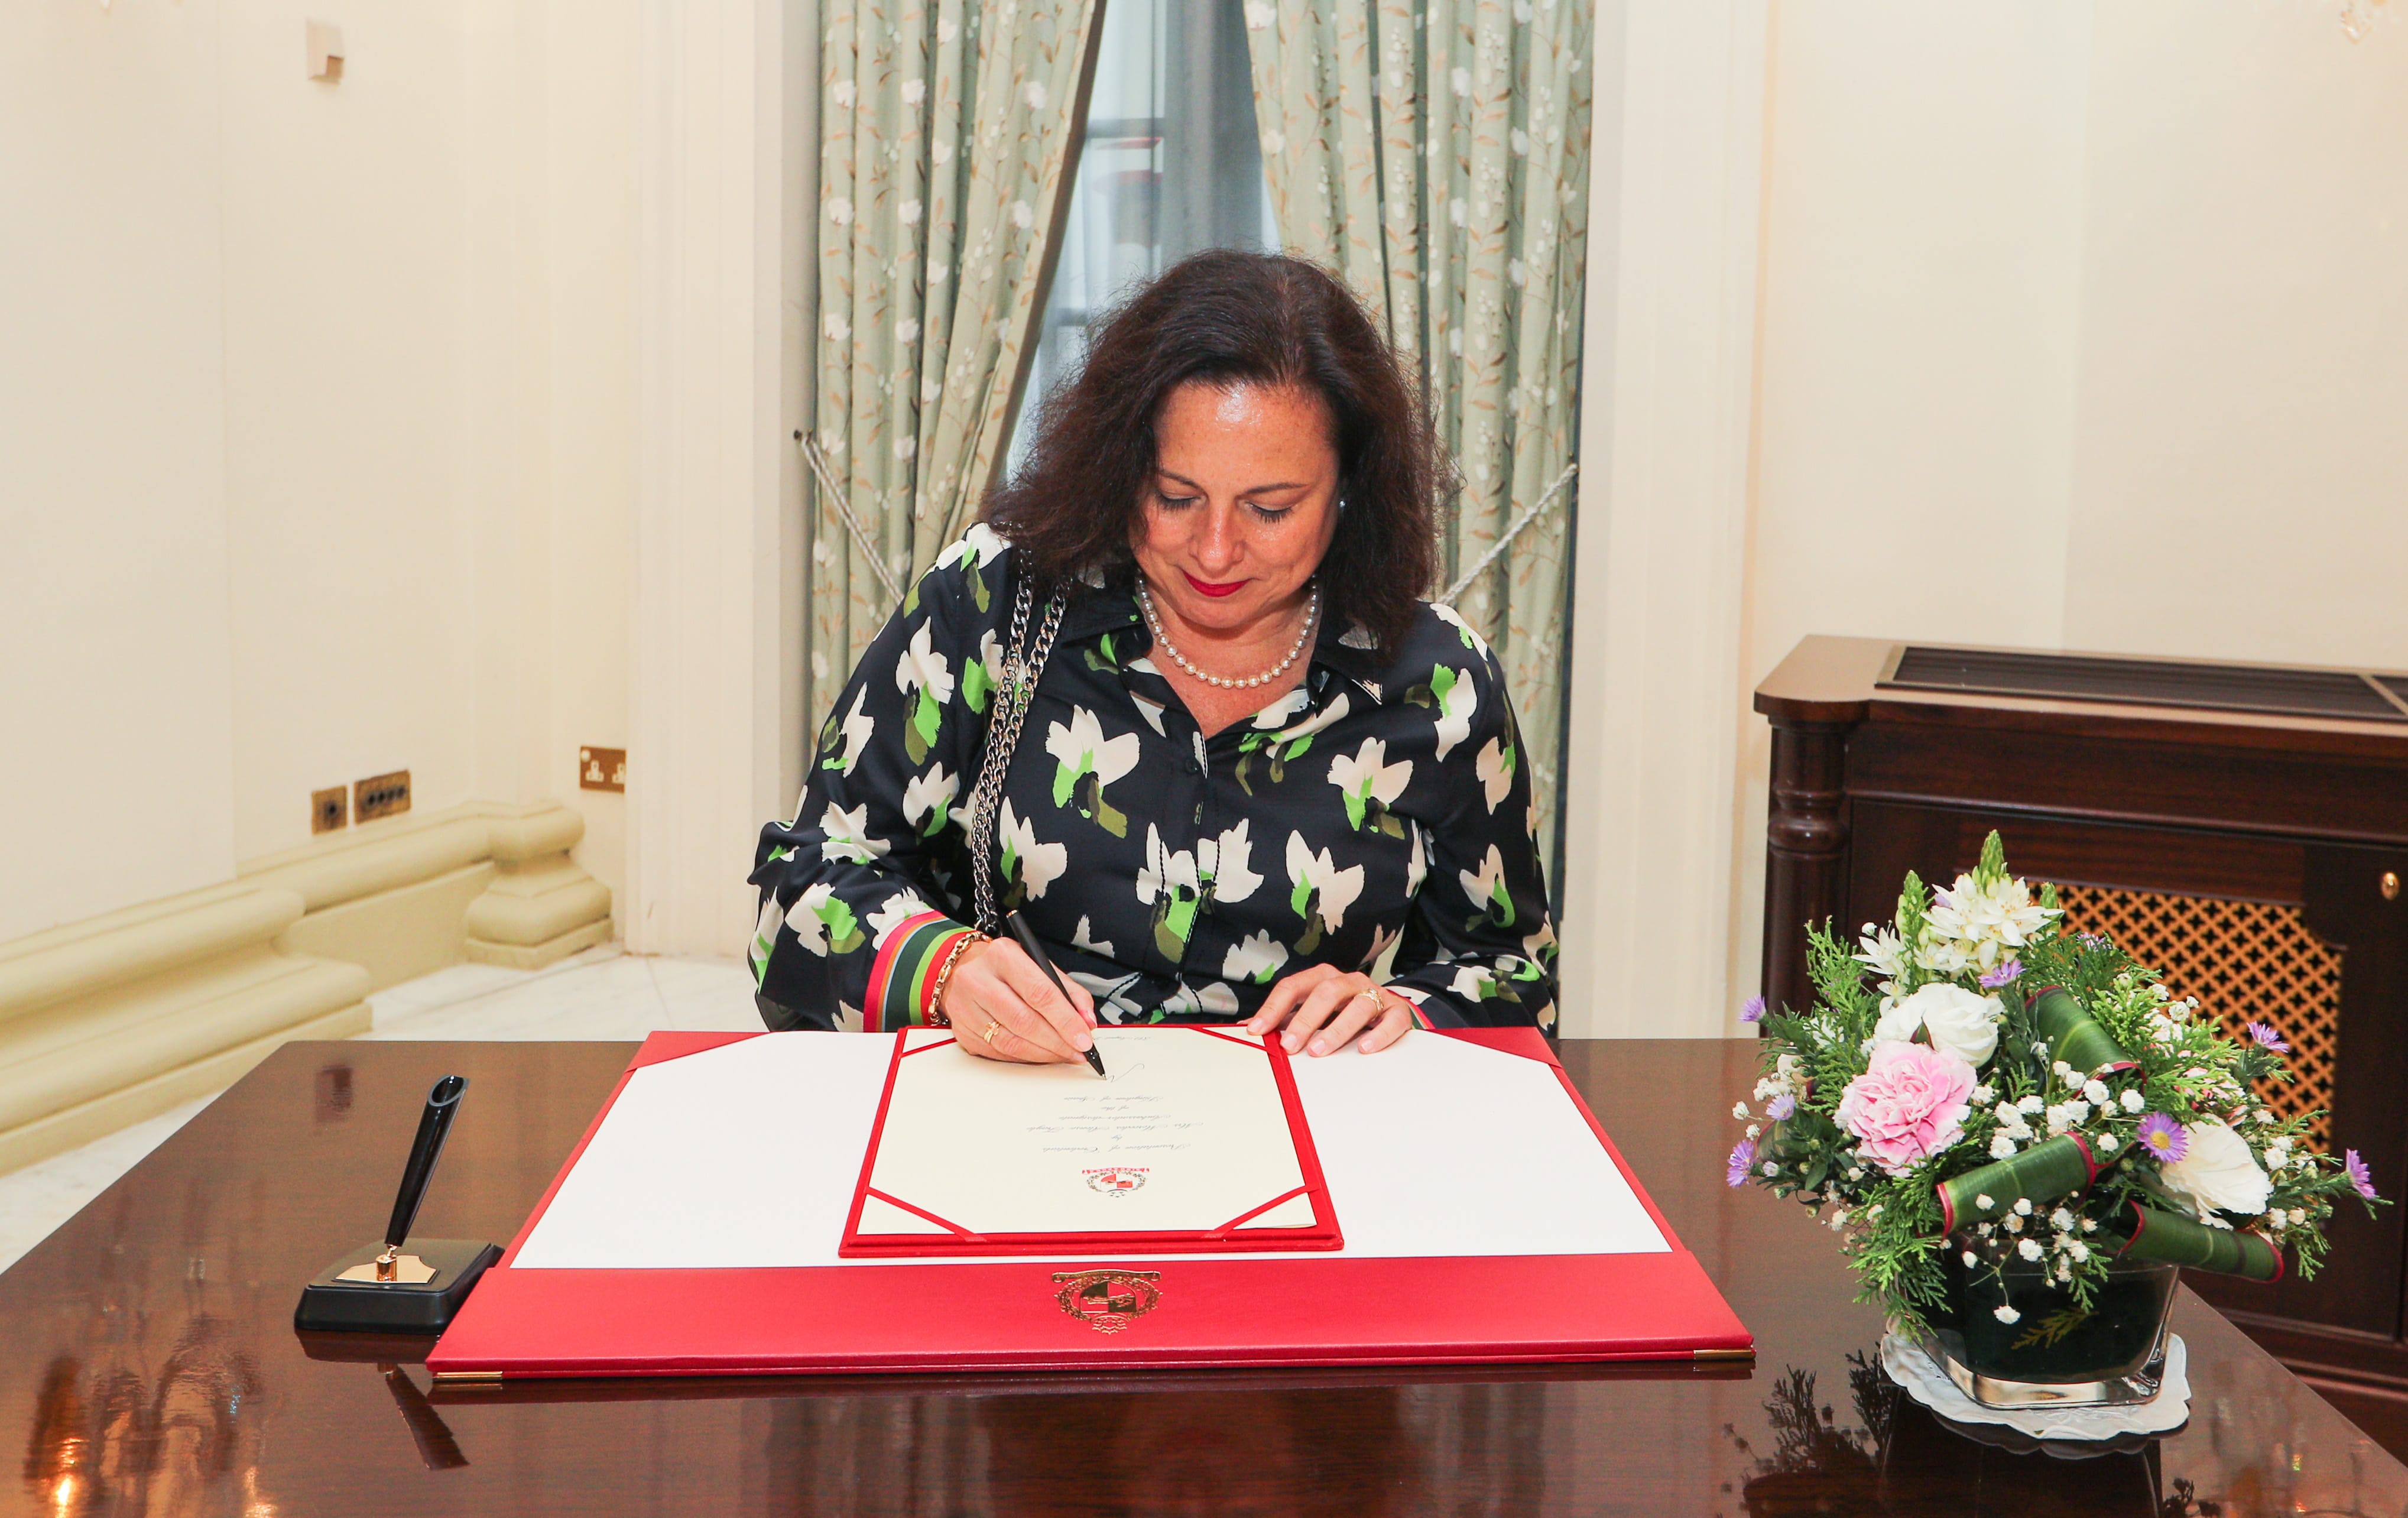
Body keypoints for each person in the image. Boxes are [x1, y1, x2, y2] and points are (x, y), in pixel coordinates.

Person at [750, 249, 1556, 1062]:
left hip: (1295, 1129)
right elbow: (802, 890)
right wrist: (944, 969)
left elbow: (1512, 978)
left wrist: (1402, 1011)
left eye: (1269, 509)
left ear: (1349, 491)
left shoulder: (1438, 682)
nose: (1213, 551)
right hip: (1011, 1107)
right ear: (1122, 466)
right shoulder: (998, 601)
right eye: (1175, 497)